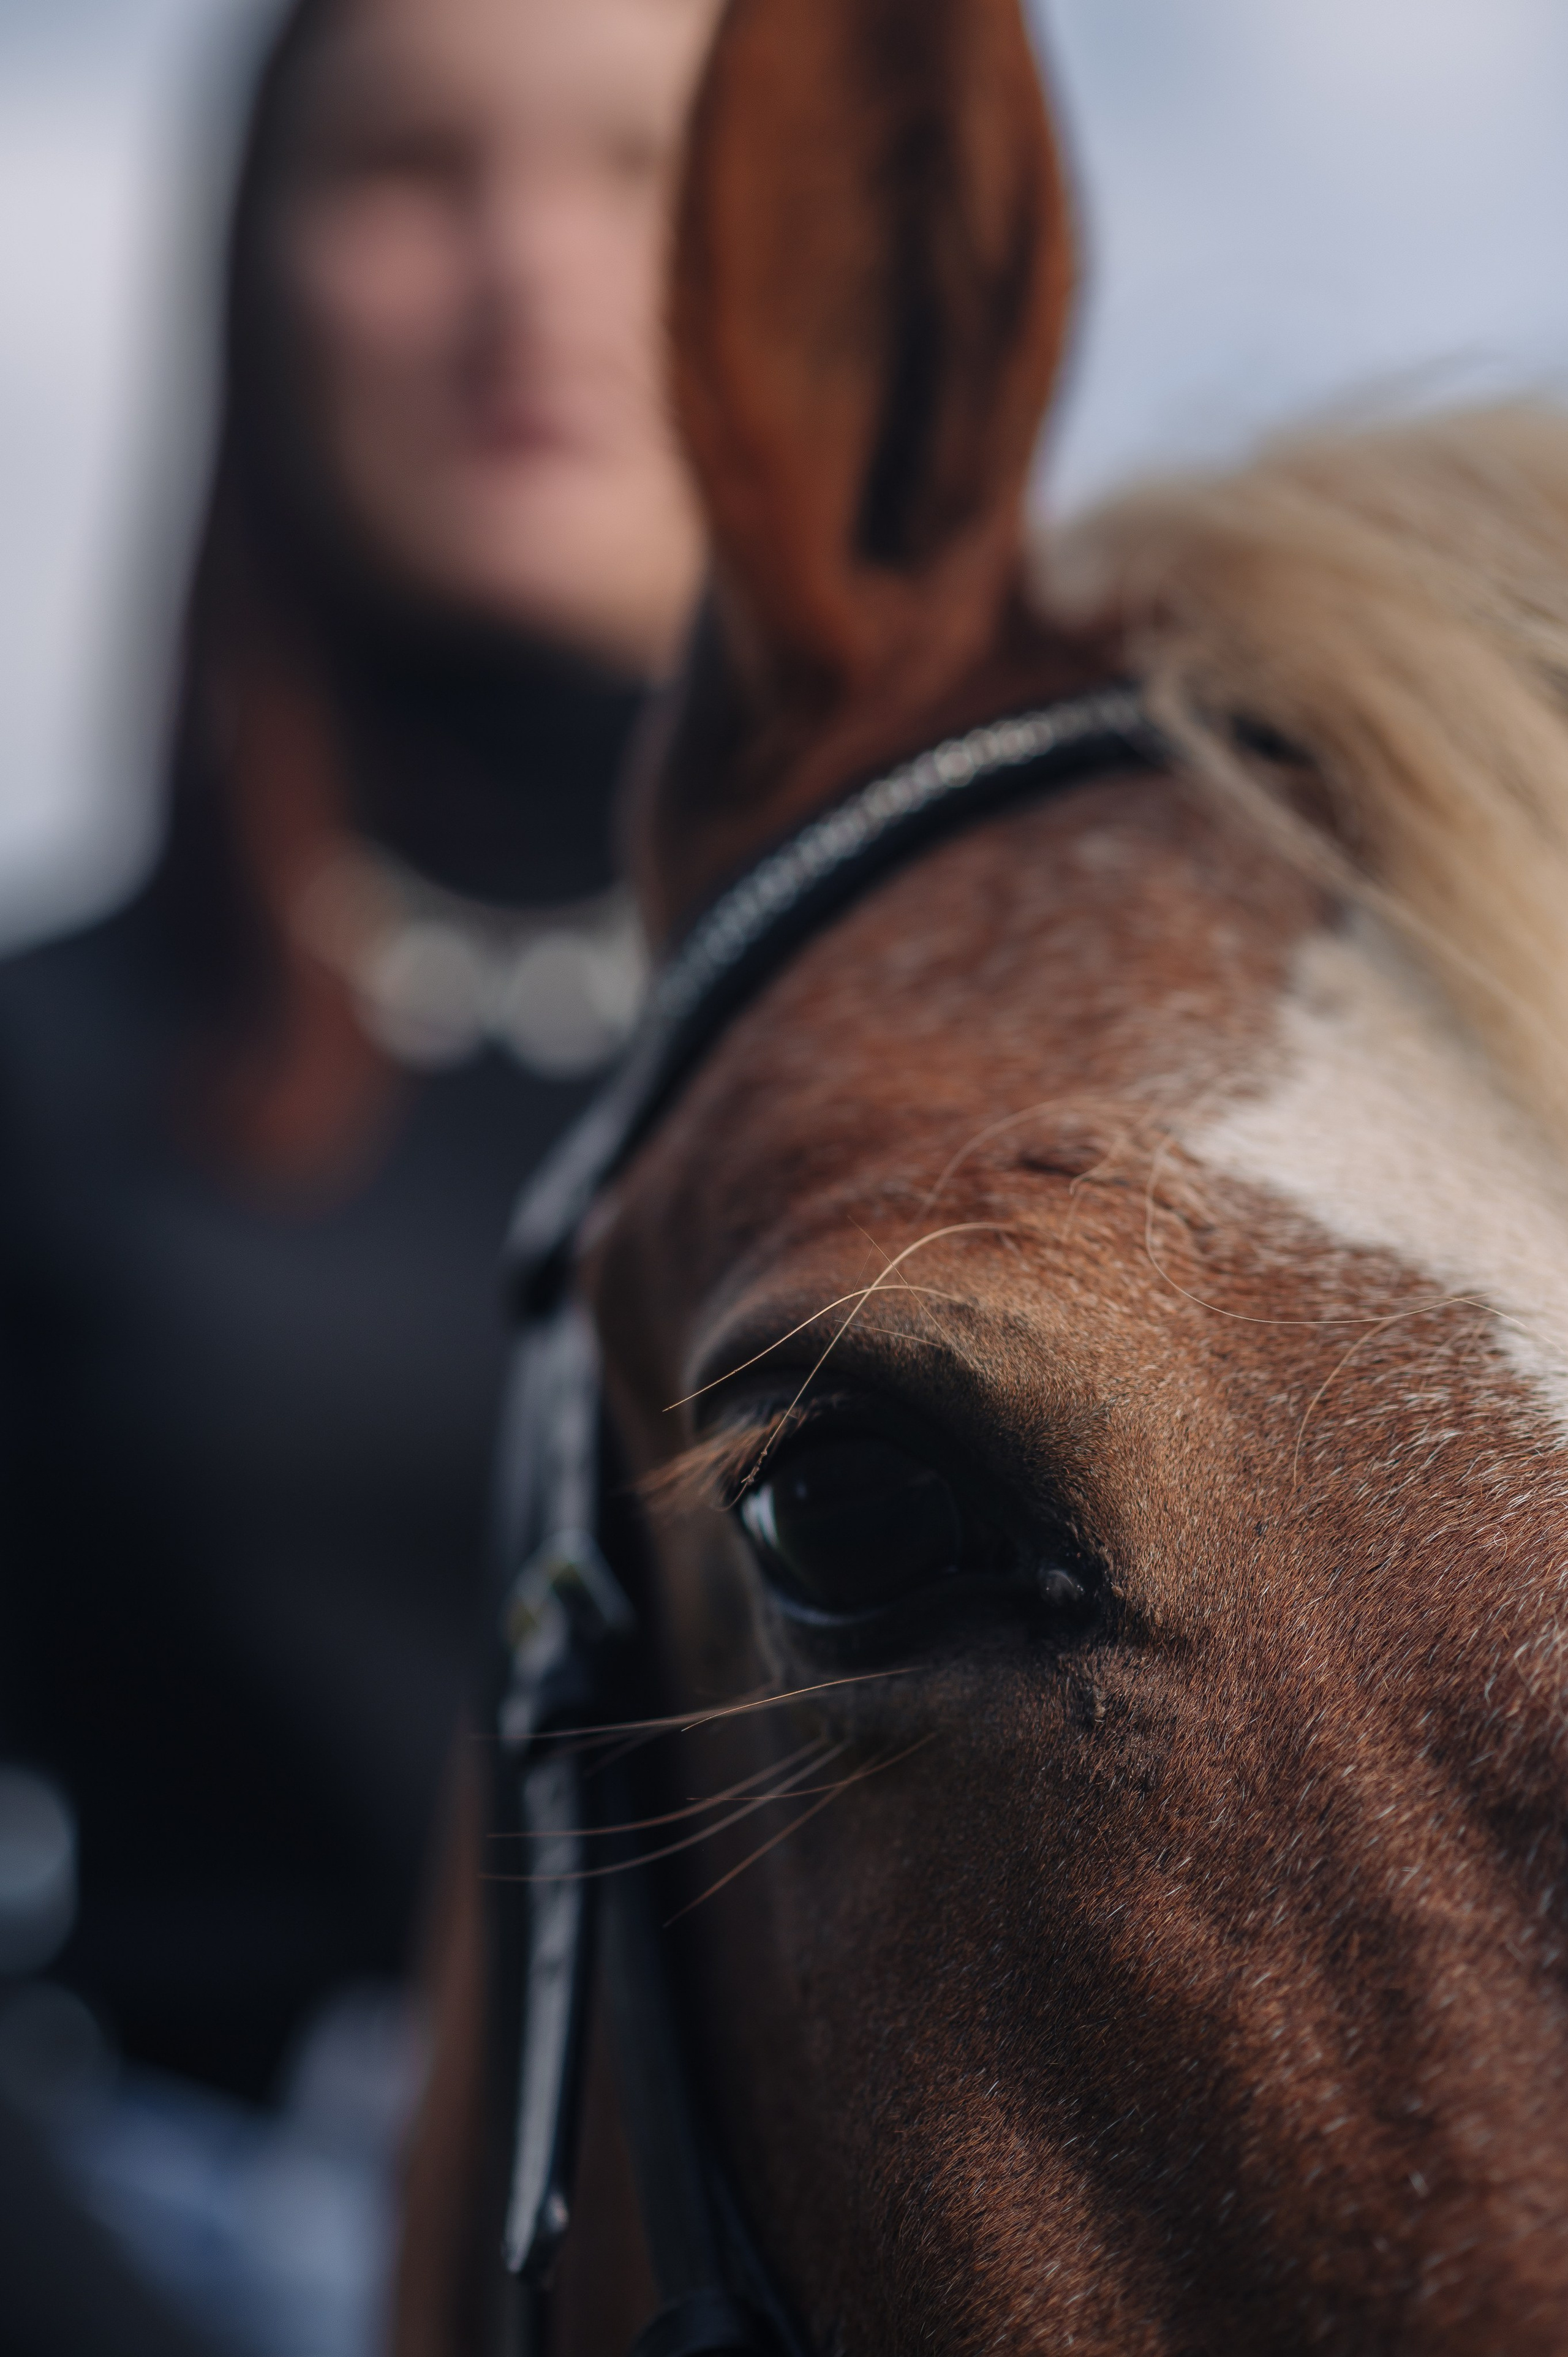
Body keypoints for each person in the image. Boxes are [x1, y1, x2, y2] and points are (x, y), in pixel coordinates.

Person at [0, 0, 714, 2340]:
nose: (533, 273)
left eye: (638, 166)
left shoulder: (1061, 1081)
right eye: (412, 172)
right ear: (252, 268)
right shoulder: (53, 1066)